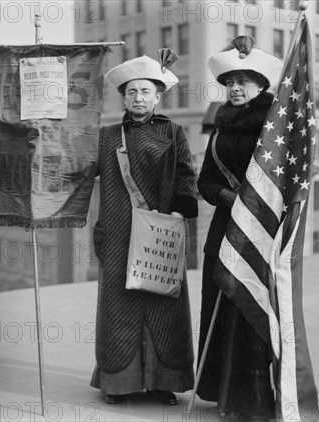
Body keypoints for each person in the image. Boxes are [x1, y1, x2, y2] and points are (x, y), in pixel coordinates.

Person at [91, 54, 198, 405]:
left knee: (162, 306)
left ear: (158, 97)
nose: (138, 98)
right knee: (118, 307)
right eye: (131, 91)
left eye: (145, 91)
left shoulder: (172, 131)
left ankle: (163, 382)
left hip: (160, 234)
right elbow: (77, 172)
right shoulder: (107, 137)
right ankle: (118, 383)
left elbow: (185, 173)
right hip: (119, 234)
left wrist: (180, 212)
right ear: (123, 98)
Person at [196, 36, 283, 422]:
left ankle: (252, 399)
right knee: (220, 303)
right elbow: (204, 182)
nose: (234, 88)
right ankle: (223, 394)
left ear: (261, 86)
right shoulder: (220, 126)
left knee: (248, 312)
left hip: (258, 233)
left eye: (244, 82)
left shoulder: (272, 130)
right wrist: (224, 197)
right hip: (223, 229)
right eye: (230, 82)